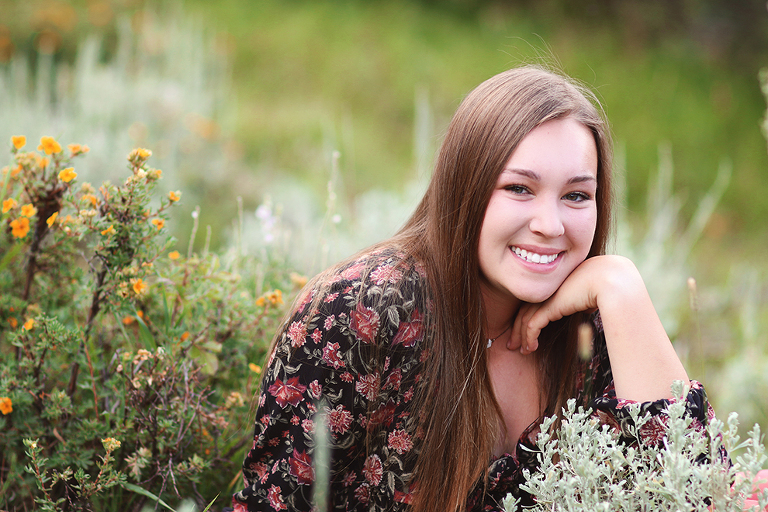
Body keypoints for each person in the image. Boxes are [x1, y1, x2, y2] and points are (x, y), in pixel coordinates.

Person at [231, 66, 714, 512]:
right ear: (467, 186)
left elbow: (700, 497)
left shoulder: (593, 325)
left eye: (576, 195)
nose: (550, 225)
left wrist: (622, 288)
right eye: (519, 188)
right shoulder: (366, 308)